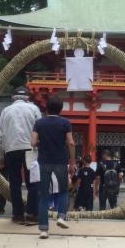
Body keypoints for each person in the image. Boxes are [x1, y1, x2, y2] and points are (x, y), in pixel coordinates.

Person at [31, 96, 75, 239]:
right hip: (60, 162)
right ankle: (61, 216)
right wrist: (72, 162)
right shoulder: (65, 122)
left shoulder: (39, 123)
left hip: (43, 161)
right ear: (60, 109)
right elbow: (71, 143)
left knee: (44, 195)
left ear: (46, 108)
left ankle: (43, 230)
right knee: (63, 191)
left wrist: (43, 145)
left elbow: (33, 142)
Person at [0, 86, 41, 225]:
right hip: (30, 149)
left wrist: (0, 156)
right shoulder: (34, 109)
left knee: (14, 183)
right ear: (28, 97)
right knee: (33, 182)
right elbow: (40, 130)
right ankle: (32, 214)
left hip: (11, 150)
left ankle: (18, 215)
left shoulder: (5, 111)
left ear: (12, 97)